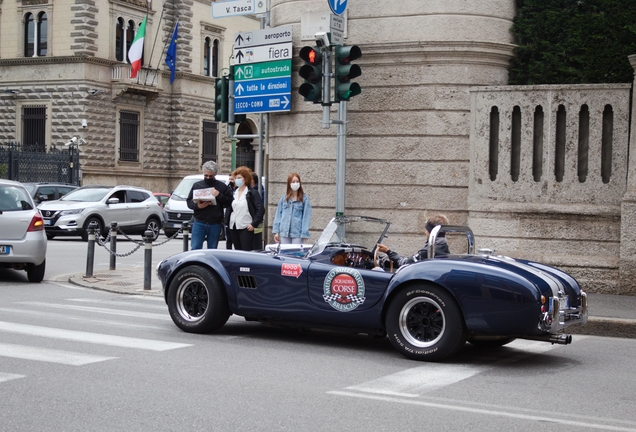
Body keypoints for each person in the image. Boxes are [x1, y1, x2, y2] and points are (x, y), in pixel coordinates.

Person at [186, 161, 234, 250]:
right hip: (199, 221)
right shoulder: (197, 185)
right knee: (195, 248)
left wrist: (219, 195)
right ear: (203, 173)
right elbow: (189, 202)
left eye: (210, 176)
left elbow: (229, 202)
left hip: (215, 222)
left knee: (212, 249)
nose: (208, 177)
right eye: (206, 175)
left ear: (214, 175)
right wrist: (198, 206)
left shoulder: (222, 186)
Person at [377, 213, 450, 268]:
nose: (425, 232)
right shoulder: (443, 246)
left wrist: (388, 251)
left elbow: (405, 264)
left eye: (427, 230)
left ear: (432, 232)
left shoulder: (427, 251)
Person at [225, 166, 264, 251]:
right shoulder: (234, 193)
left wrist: (254, 224)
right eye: (236, 178)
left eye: (239, 178)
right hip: (233, 226)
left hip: (246, 227)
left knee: (246, 251)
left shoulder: (252, 193)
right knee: (237, 251)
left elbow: (260, 209)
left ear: (245, 179)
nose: (237, 180)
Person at [272, 173, 312, 244]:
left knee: (295, 254)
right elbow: (278, 216)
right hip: (284, 232)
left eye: (297, 181)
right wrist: (276, 231)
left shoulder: (304, 199)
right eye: (293, 182)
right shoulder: (283, 199)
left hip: (297, 233)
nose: (295, 183)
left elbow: (306, 217)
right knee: (284, 254)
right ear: (289, 183)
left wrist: (304, 232)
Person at [251, 172, 264, 250]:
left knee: (256, 246)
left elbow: (260, 209)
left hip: (256, 223)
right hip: (249, 224)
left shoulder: (258, 192)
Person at [224, 174, 237, 249]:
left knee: (235, 239)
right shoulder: (228, 188)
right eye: (230, 179)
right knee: (228, 239)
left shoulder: (239, 189)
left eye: (232, 179)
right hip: (229, 216)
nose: (230, 181)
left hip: (237, 216)